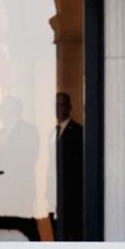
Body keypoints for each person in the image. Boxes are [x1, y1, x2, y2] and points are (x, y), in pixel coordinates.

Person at [54, 91, 84, 240]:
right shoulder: (53, 131)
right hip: (55, 192)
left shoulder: (79, 132)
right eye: (55, 105)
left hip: (72, 193)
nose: (58, 108)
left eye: (61, 104)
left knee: (71, 232)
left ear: (69, 107)